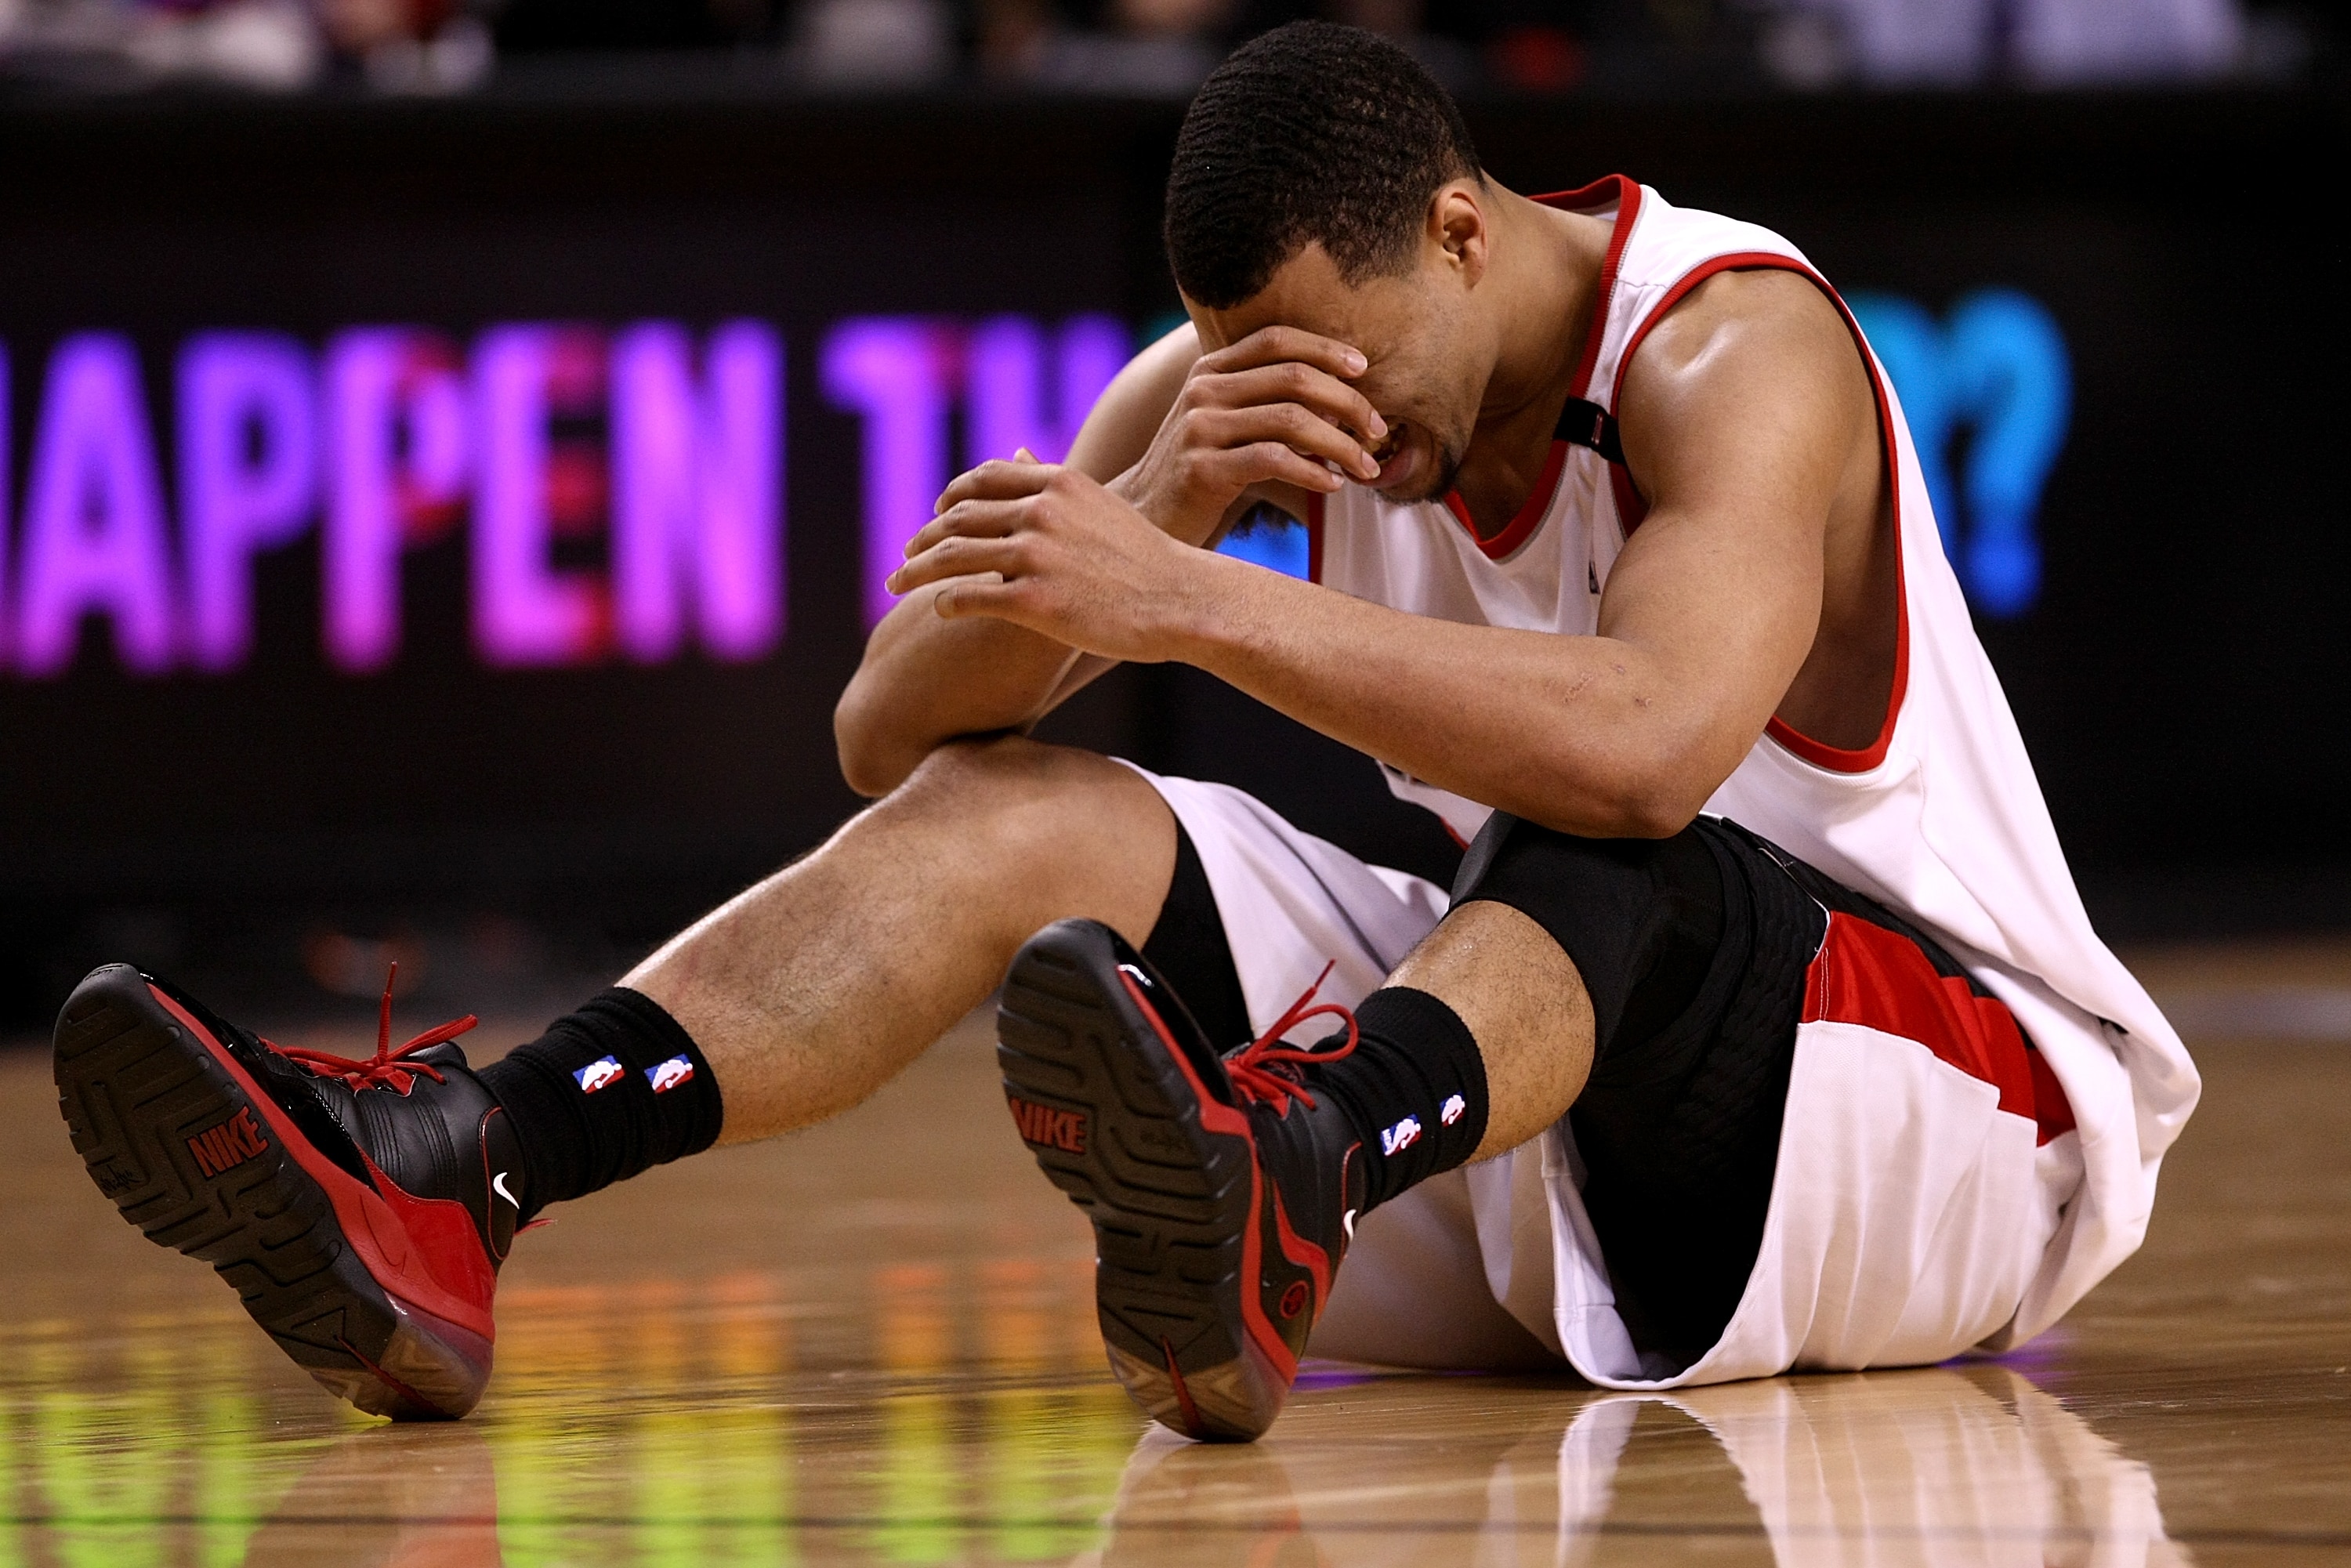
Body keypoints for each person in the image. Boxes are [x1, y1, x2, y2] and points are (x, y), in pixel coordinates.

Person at [53, 20, 2197, 1442]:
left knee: (1605, 820)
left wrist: (1186, 601)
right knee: (1015, 807)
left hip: (1951, 1112)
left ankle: (1303, 1153)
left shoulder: (1733, 349)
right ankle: (470, 1166)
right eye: (1244, 357)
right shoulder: (1238, 383)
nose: (1319, 410)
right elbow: (889, 730)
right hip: (1537, 1084)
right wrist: (1157, 502)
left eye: (1345, 356)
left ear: (1463, 232)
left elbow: (1645, 750)